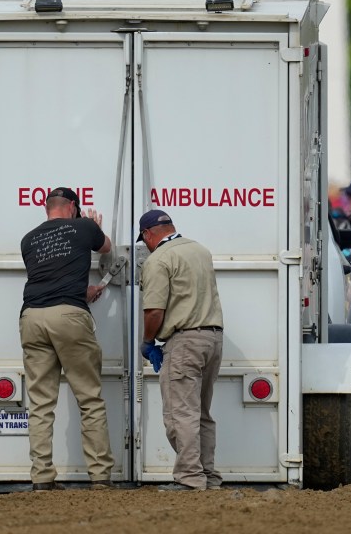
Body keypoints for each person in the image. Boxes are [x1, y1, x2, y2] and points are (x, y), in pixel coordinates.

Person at [19, 187, 113, 490]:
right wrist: (95, 227)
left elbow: (51, 277)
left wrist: (78, 288)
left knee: (41, 403)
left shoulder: (28, 239)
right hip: (69, 317)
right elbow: (107, 248)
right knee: (89, 398)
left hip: (32, 316)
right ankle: (99, 476)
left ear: (47, 209)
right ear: (73, 206)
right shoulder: (83, 226)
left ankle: (42, 478)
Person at [137, 209, 224, 491]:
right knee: (202, 413)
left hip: (184, 341)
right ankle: (207, 476)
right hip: (212, 339)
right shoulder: (200, 250)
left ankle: (189, 478)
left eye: (144, 240)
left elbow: (154, 312)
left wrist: (148, 341)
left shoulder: (159, 259)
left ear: (149, 234)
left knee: (180, 414)